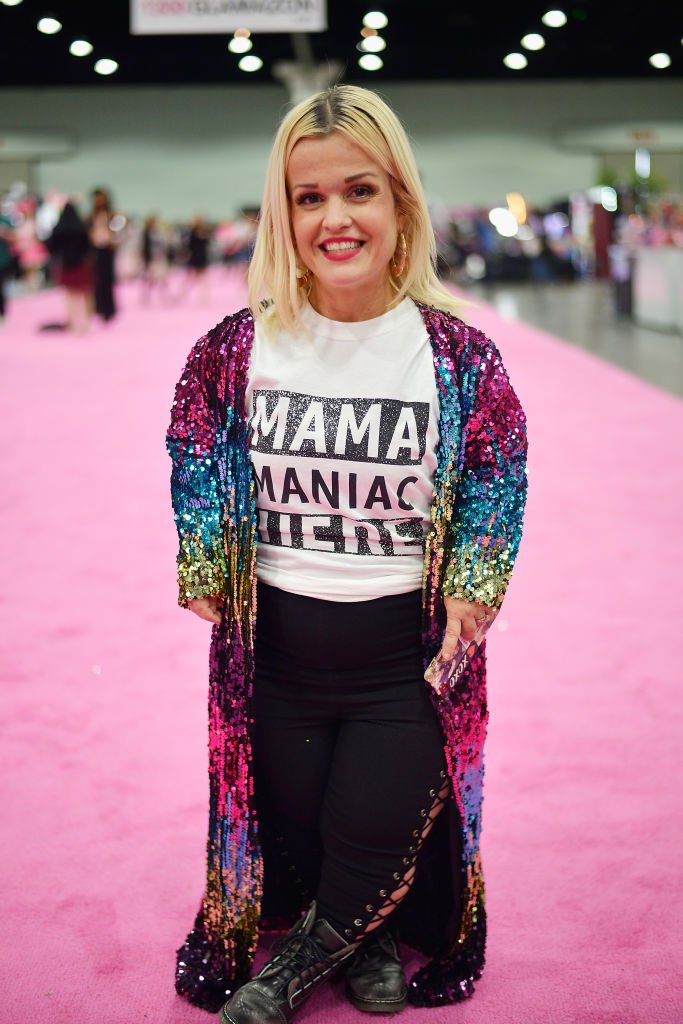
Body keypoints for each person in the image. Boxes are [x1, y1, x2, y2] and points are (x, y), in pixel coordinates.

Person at [166, 85, 528, 1023]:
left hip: (401, 666)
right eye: (308, 196)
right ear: (282, 214)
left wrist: (474, 582)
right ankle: (360, 940)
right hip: (275, 659)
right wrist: (203, 551)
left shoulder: (457, 356)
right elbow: (193, 442)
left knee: (374, 825)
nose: (335, 217)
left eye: (358, 191)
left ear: (399, 202)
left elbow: (496, 469)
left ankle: (282, 983)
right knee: (301, 830)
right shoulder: (234, 351)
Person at [46, 200, 93, 333]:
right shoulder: (81, 227)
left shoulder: (59, 228)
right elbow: (88, 247)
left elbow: (51, 246)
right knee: (84, 294)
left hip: (66, 264)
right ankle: (85, 323)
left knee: (70, 295)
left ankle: (72, 323)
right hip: (81, 264)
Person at [87, 188, 117, 321]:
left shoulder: (112, 215)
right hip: (95, 251)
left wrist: (113, 240)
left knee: (108, 280)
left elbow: (120, 233)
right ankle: (98, 308)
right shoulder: (90, 217)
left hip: (108, 250)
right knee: (96, 280)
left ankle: (109, 309)